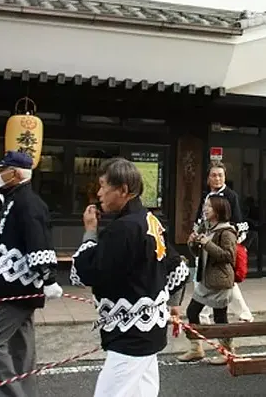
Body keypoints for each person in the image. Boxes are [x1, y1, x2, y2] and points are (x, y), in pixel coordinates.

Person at [70, 158, 189, 397]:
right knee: (142, 391)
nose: (99, 193)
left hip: (131, 334)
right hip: (150, 327)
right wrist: (172, 303)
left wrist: (90, 232)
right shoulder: (149, 220)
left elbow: (88, 272)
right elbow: (178, 268)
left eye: (104, 186)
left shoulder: (123, 228)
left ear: (123, 190)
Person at [0, 151, 63, 397]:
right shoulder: (15, 199)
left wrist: (48, 277)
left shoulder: (28, 203)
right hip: (13, 282)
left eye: (3, 170)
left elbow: (39, 241)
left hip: (17, 285)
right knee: (21, 347)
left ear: (17, 173)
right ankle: (25, 393)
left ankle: (12, 395)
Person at [191, 161, 254, 324]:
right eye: (213, 175)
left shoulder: (231, 196)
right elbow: (200, 218)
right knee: (207, 281)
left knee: (223, 283)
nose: (217, 178)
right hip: (205, 242)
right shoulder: (206, 194)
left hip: (221, 243)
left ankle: (241, 314)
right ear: (208, 178)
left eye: (220, 175)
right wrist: (195, 235)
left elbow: (238, 221)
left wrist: (235, 240)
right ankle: (206, 318)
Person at [178, 195, 238, 364]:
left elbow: (228, 257)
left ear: (218, 211)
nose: (205, 209)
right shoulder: (207, 228)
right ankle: (196, 348)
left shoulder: (226, 232)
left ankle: (227, 352)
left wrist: (207, 243)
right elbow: (201, 254)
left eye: (209, 207)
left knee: (220, 317)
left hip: (220, 281)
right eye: (205, 205)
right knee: (192, 312)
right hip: (205, 280)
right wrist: (193, 244)